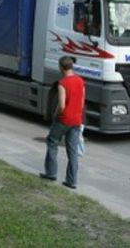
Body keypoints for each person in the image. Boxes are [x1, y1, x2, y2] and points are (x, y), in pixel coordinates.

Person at [39, 56, 85, 189]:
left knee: (52, 141)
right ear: (71, 66)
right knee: (73, 151)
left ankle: (51, 173)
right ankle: (71, 181)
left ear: (61, 67)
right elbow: (82, 102)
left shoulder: (62, 83)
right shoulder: (80, 81)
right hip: (76, 120)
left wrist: (55, 114)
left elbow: (62, 105)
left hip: (63, 119)